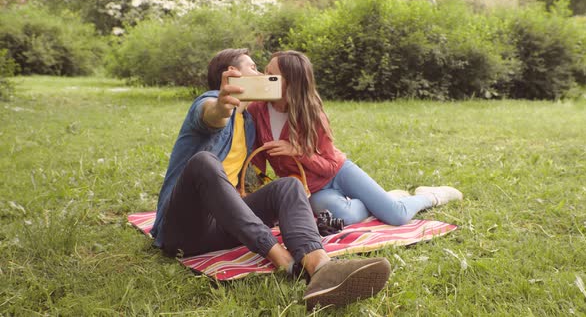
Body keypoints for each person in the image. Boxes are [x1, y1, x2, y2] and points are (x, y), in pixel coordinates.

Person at [150, 48, 392, 309]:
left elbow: (253, 175)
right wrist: (222, 106)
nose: (263, 75)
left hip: (225, 226)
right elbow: (212, 115)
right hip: (183, 231)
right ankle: (282, 259)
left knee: (288, 185)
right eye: (253, 68)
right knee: (204, 162)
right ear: (230, 77)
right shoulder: (207, 102)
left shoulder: (251, 121)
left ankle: (320, 267)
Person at [248, 50, 463, 227]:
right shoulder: (257, 110)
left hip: (338, 173)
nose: (263, 78)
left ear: (291, 82)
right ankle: (384, 199)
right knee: (345, 218)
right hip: (310, 189)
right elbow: (257, 162)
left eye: (271, 75)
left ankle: (431, 196)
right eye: (265, 72)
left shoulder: (312, 115)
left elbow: (331, 165)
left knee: (397, 216)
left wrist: (299, 152)